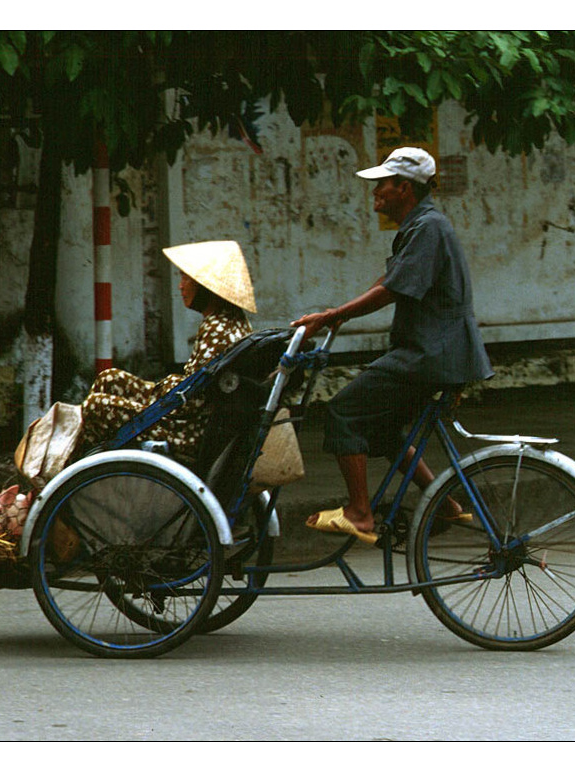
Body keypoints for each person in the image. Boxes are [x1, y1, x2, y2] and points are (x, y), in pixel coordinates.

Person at [292, 147, 493, 544]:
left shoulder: (429, 227)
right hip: (435, 351)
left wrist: (333, 317)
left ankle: (360, 514)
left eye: (382, 185)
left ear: (405, 187)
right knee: (382, 430)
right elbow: (390, 280)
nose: (375, 193)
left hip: (431, 354)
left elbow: (390, 290)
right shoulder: (421, 226)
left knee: (343, 412)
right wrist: (337, 314)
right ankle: (446, 505)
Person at [80, 240, 256, 458]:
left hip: (187, 431)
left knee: (96, 407)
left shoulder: (217, 330)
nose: (180, 286)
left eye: (185, 278)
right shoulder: (233, 321)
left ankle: (70, 473)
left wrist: (159, 393)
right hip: (190, 416)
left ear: (204, 285)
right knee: (108, 378)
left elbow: (191, 403)